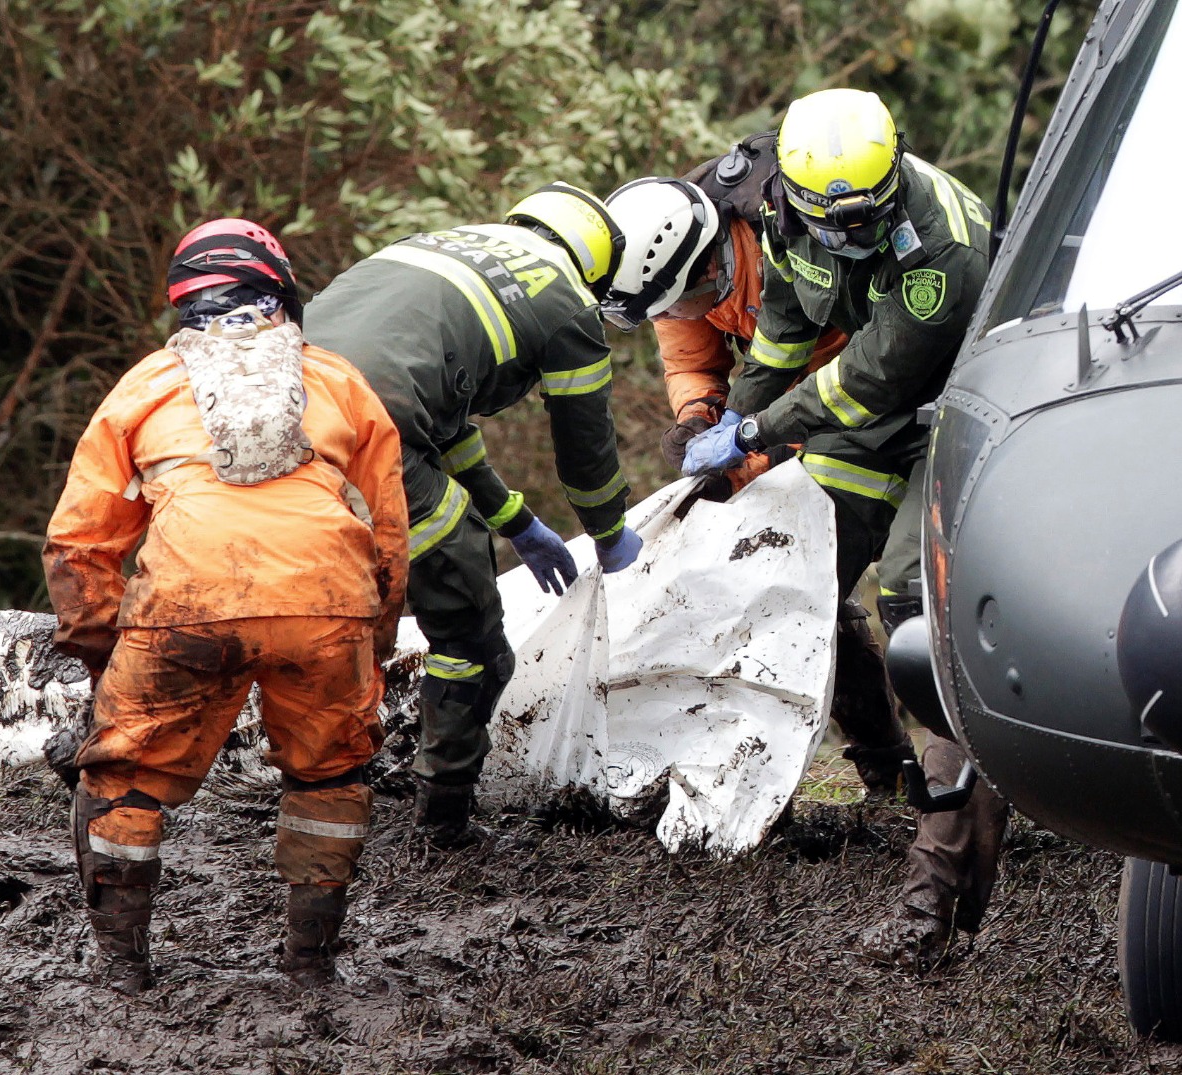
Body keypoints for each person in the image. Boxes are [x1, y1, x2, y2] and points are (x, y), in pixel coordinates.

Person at [678, 88, 1011, 969]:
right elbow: (787, 334)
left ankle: (939, 883)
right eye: (834, 224)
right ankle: (871, 769)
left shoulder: (941, 250)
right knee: (796, 564)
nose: (849, 238)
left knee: (917, 600)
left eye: (864, 223)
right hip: (870, 407)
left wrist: (755, 432)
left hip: (961, 403)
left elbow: (859, 384)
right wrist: (728, 438)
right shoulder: (787, 212)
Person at [44, 218, 409, 992]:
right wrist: (369, 643)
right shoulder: (340, 380)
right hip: (329, 607)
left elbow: (79, 543)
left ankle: (121, 969)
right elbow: (387, 538)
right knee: (331, 776)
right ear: (282, 290)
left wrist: (104, 658)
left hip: (185, 606)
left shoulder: (145, 386)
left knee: (121, 780)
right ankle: (310, 966)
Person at [305, 183, 642, 849]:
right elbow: (585, 454)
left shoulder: (438, 245)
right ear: (595, 266)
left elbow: (437, 408)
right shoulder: (569, 301)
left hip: (270, 406)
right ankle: (444, 826)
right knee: (472, 638)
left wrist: (513, 518)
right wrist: (611, 534)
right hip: (374, 432)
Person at [601, 161, 913, 796]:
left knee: (899, 576)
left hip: (874, 397)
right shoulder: (670, 275)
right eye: (672, 306)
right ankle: (883, 762)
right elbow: (692, 361)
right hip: (777, 414)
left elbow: (856, 371)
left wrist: (761, 446)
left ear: (716, 258)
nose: (688, 311)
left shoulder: (792, 241)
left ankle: (957, 767)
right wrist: (697, 421)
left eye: (691, 297)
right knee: (802, 584)